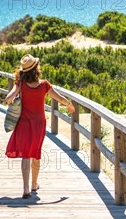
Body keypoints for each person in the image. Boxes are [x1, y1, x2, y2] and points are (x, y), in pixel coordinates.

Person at [4, 53, 75, 199]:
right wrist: (68, 105)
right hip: (39, 124)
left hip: (24, 123)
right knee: (35, 153)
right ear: (36, 69)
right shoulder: (44, 85)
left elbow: (8, 99)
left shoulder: (21, 85)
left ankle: (25, 188)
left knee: (25, 154)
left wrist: (14, 97)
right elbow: (59, 98)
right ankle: (34, 184)